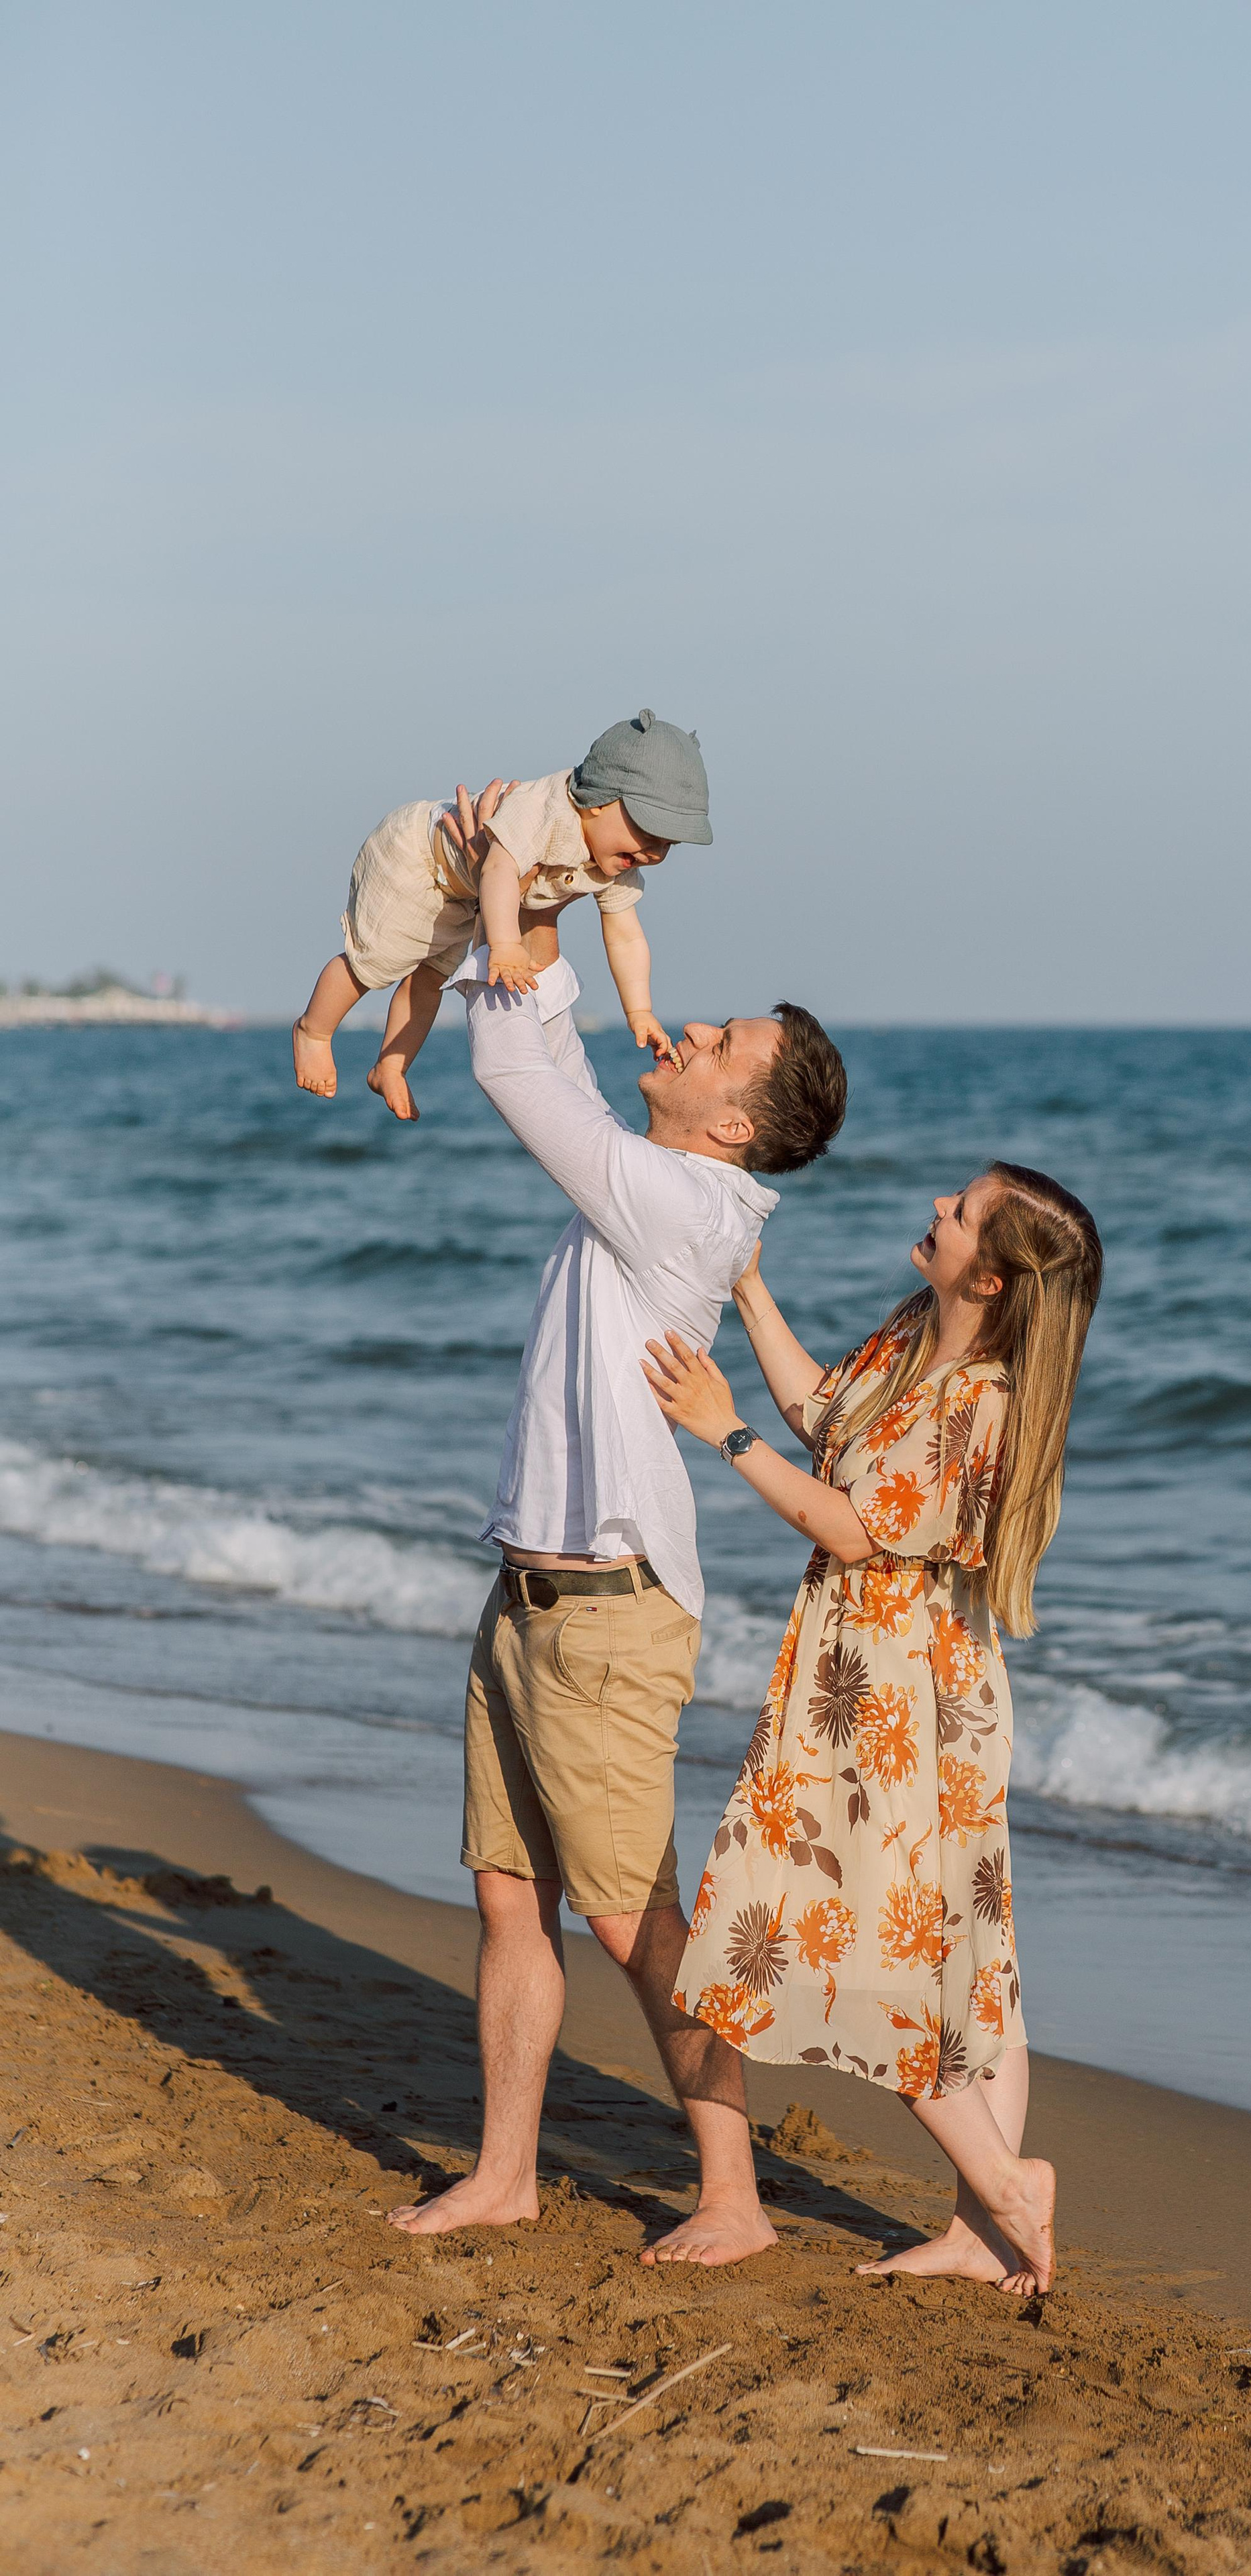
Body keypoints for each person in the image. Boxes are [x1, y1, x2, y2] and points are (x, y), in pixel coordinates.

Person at [386, 780, 848, 2266]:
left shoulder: (680, 1205)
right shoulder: (658, 1196)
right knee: (509, 1900)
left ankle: (733, 2200)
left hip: (604, 1613)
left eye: (716, 1045)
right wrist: (516, 899)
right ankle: (507, 2173)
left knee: (632, 1922)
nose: (688, 1030)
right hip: (525, 1593)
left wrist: (514, 891)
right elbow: (546, 1075)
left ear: (731, 1121)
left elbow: (526, 1076)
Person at [643, 1162, 1103, 2296]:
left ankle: (1007, 2190)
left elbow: (852, 1526)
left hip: (906, 1706)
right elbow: (828, 1420)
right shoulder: (916, 1341)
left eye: (961, 1210)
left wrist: (724, 1434)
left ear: (989, 1275)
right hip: (880, 1680)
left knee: (893, 1954)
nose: (939, 1206)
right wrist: (750, 1291)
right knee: (961, 1961)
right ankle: (980, 2226)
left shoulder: (983, 1402)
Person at [292, 709, 708, 1120]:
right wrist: (506, 945)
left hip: (462, 894)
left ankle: (391, 1066)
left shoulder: (619, 863)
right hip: (416, 858)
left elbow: (626, 935)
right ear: (598, 802)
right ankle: (314, 1031)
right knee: (377, 963)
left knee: (431, 979)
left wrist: (640, 1011)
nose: (653, 852)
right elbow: (498, 869)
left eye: (667, 844)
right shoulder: (545, 811)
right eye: (647, 831)